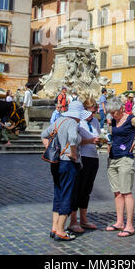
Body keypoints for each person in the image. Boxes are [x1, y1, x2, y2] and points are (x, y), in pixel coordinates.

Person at [41, 101, 98, 242]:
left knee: (58, 194)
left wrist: (50, 149)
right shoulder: (73, 123)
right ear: (77, 114)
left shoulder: (60, 120)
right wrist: (72, 153)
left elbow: (44, 134)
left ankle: (54, 227)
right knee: (68, 194)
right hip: (68, 163)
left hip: (56, 163)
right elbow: (73, 138)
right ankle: (61, 230)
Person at [105, 96, 135, 237]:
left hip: (125, 158)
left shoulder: (132, 119)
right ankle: (119, 222)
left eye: (114, 112)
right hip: (112, 158)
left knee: (126, 193)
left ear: (121, 108)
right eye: (110, 112)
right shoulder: (113, 120)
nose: (112, 115)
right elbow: (112, 137)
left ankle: (130, 225)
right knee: (117, 193)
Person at [68, 97, 101, 232]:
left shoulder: (95, 121)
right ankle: (73, 220)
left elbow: (97, 135)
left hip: (94, 157)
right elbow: (73, 141)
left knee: (87, 189)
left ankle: (84, 219)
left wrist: (99, 141)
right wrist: (89, 141)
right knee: (78, 189)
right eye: (91, 112)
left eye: (94, 112)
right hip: (82, 157)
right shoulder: (78, 121)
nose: (93, 115)